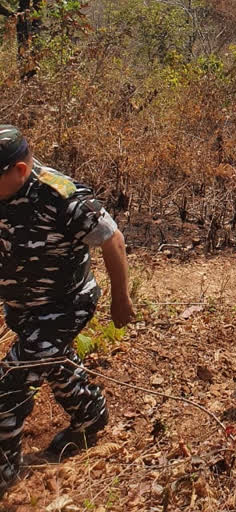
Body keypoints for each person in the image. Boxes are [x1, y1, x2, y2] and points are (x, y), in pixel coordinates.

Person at [0, 125, 134, 497]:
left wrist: (121, 299)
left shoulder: (62, 197)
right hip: (23, 307)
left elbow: (113, 239)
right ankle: (90, 417)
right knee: (56, 366)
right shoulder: (4, 188)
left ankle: (4, 475)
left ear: (20, 171)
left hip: (66, 305)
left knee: (9, 387)